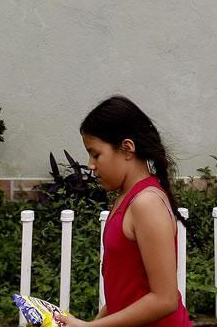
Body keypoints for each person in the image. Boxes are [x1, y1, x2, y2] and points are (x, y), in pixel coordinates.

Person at [57, 96, 191, 327]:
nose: (90, 164)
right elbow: (127, 292)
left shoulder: (146, 203)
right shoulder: (125, 199)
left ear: (127, 148)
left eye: (96, 154)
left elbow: (164, 300)